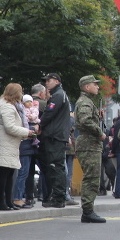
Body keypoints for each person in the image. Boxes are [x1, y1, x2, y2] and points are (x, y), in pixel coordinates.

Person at [0, 83, 32, 210]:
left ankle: (8, 201)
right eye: (20, 91)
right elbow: (10, 127)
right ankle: (2, 202)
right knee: (4, 174)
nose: (22, 94)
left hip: (9, 144)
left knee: (9, 174)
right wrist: (27, 132)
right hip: (5, 144)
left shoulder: (8, 106)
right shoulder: (7, 107)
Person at [73, 75, 107, 223]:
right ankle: (87, 211)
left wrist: (98, 118)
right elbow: (85, 120)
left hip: (89, 144)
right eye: (95, 84)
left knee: (93, 177)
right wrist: (100, 132)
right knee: (92, 178)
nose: (97, 87)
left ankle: (88, 210)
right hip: (89, 144)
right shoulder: (85, 102)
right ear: (87, 87)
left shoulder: (87, 102)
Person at [37, 73, 71, 208]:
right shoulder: (60, 94)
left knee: (56, 167)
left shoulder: (58, 95)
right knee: (57, 166)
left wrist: (40, 125)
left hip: (54, 136)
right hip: (57, 135)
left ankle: (58, 198)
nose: (46, 83)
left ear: (57, 81)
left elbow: (49, 113)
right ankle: (58, 197)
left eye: (49, 81)